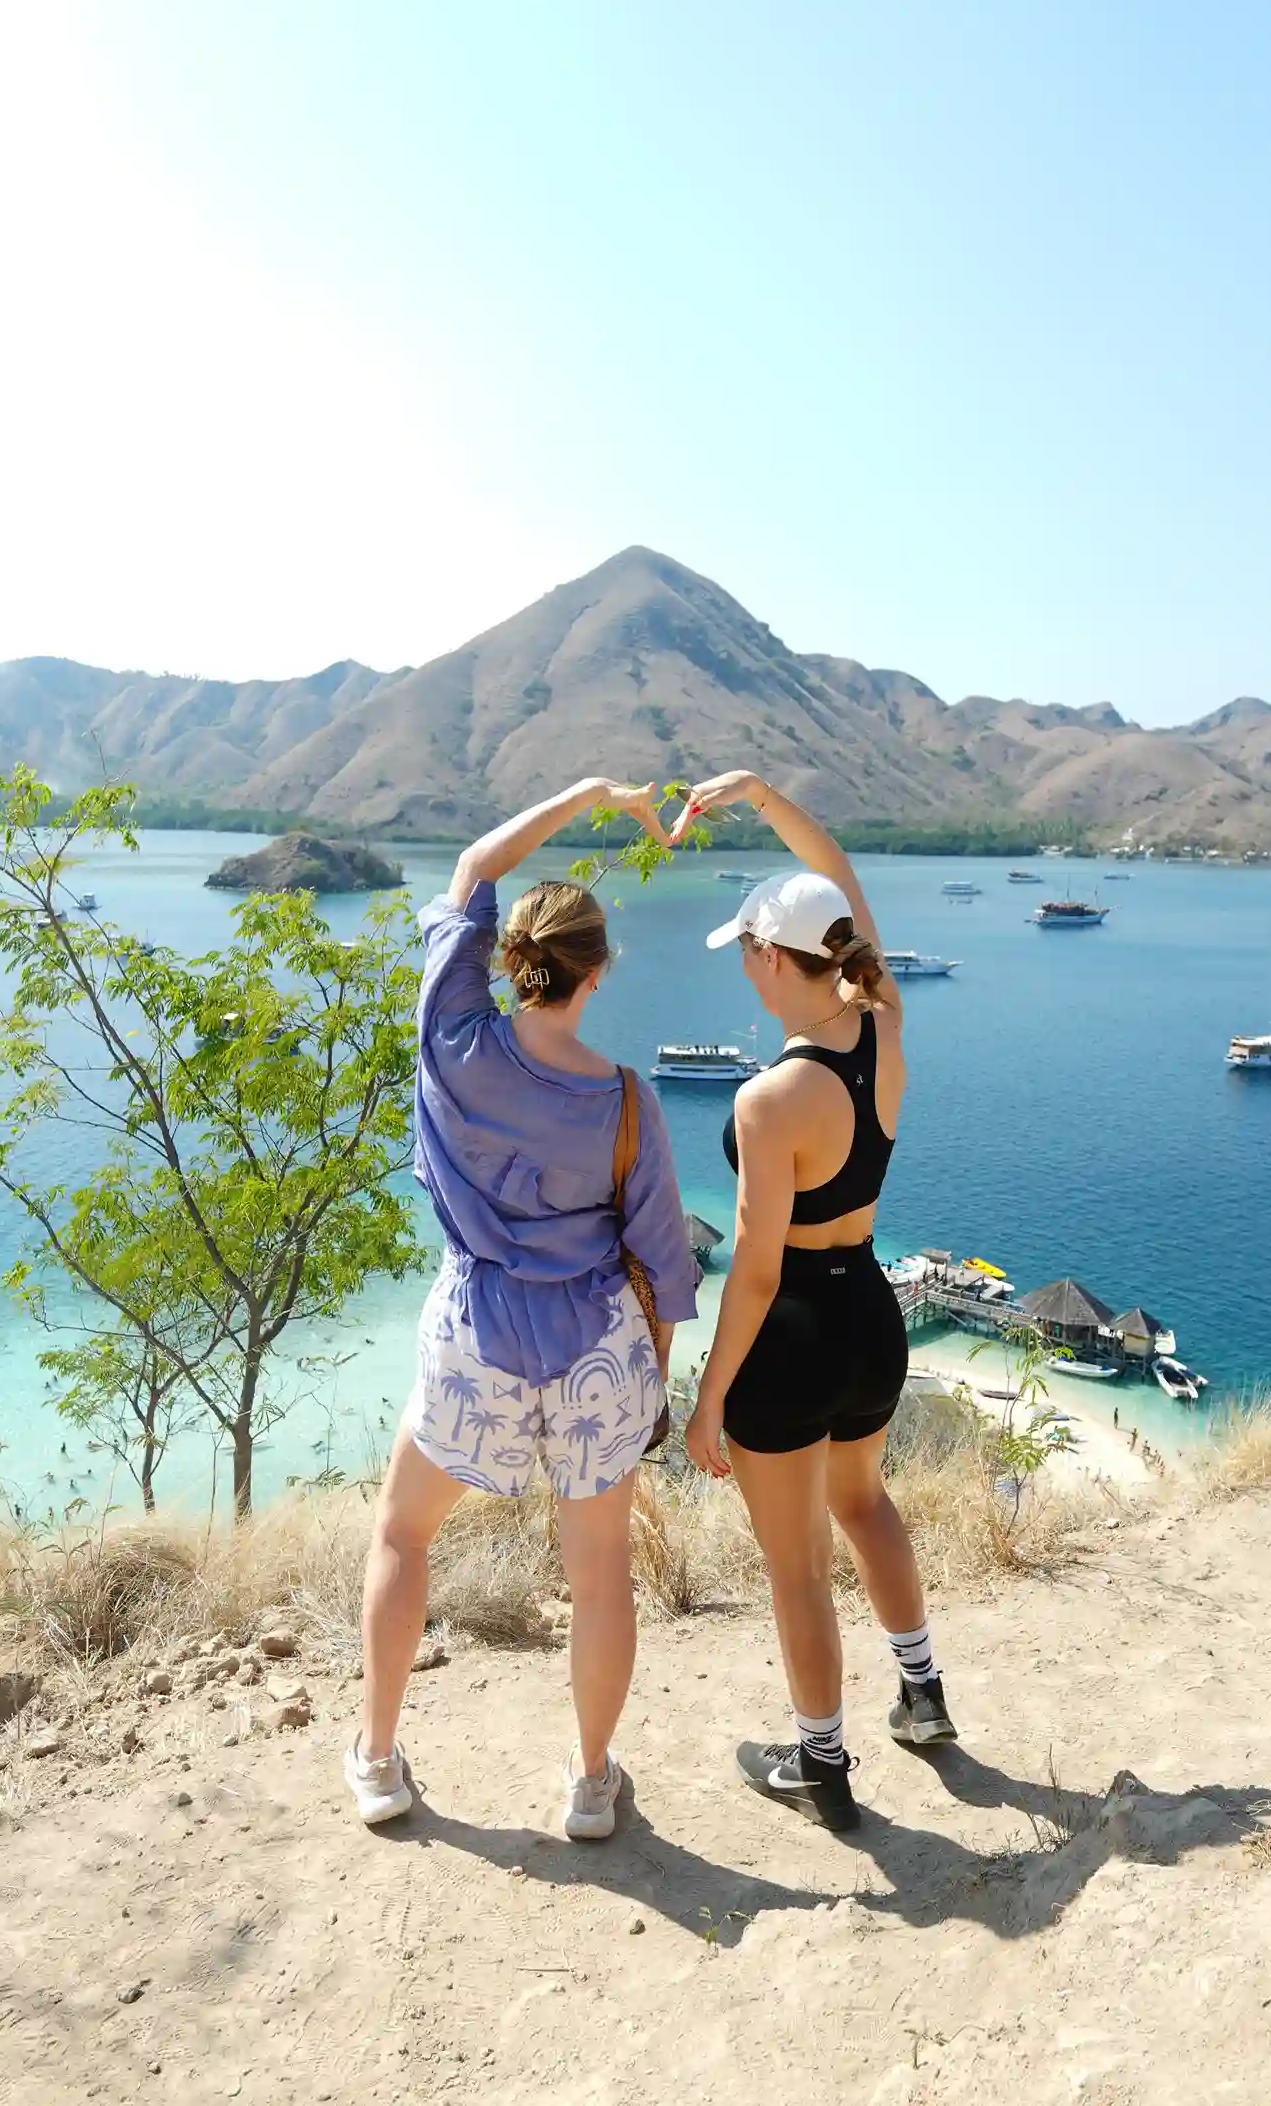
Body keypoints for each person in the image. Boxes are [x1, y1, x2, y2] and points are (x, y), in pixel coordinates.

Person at [346, 778, 697, 1841]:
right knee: (598, 1576)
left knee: (404, 1535)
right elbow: (663, 1265)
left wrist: (591, 794)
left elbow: (471, 871)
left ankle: (376, 1762)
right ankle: (591, 1783)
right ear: (598, 972)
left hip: (476, 1333)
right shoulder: (626, 1100)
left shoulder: (454, 1041)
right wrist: (650, 1388)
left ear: (510, 960)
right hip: (596, 1346)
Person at [674, 770, 956, 1834]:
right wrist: (763, 796)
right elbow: (839, 880)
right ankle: (921, 1697)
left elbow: (750, 1269)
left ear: (767, 959)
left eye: (745, 949)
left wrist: (708, 1398)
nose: (741, 965)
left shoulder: (767, 1099)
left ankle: (820, 1764)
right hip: (869, 1316)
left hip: (787, 1335)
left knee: (795, 1567)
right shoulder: (881, 1029)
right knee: (863, 1504)